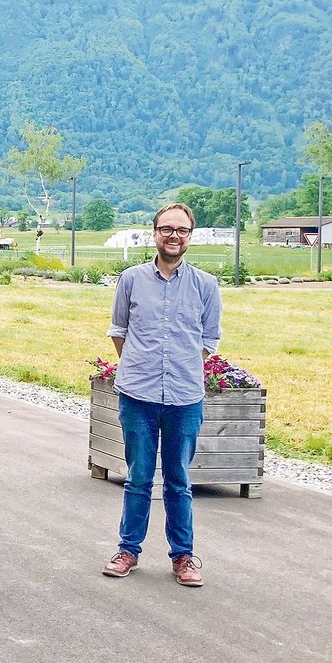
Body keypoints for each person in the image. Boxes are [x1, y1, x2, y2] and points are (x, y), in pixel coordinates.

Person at [101, 203, 221, 587]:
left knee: (178, 479)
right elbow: (119, 331)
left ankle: (183, 556)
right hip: (138, 394)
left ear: (190, 236)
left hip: (185, 397)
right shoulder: (131, 280)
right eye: (167, 229)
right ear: (154, 233)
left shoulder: (206, 285)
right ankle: (128, 550)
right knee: (138, 477)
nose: (174, 236)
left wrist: (181, 366)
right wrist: (140, 365)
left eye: (181, 230)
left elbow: (209, 340)